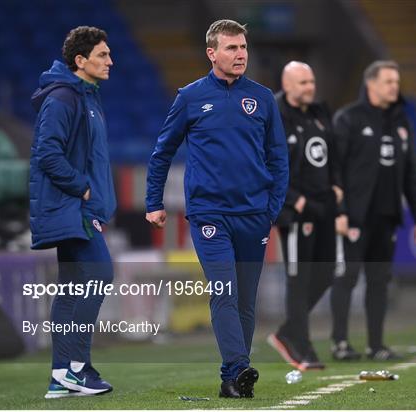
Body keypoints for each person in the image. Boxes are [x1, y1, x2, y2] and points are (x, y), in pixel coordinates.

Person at [145, 19, 288, 398]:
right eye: (231, 48)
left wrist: (271, 207)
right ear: (212, 53)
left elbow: (278, 158)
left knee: (244, 300)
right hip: (210, 215)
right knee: (223, 290)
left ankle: (231, 379)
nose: (240, 54)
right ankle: (240, 368)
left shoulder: (263, 98)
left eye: (243, 48)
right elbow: (163, 152)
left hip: (254, 215)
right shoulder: (190, 97)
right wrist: (153, 202)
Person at [30, 26, 116, 398]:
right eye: (102, 55)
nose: (110, 60)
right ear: (80, 61)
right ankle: (76, 368)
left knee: (73, 289)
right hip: (72, 207)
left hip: (81, 207)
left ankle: (62, 374)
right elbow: (47, 152)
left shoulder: (87, 96)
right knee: (98, 274)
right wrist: (81, 187)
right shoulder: (64, 97)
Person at [330, 60, 416, 361]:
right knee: (347, 277)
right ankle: (341, 343)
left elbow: (411, 171)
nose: (394, 87)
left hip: (386, 217)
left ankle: (376, 345)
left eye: (396, 82)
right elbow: (334, 170)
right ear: (371, 84)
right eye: (388, 82)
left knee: (379, 282)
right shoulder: (349, 119)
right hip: (355, 217)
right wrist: (340, 211)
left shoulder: (401, 122)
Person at [267, 61, 343, 371]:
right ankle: (302, 345)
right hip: (296, 213)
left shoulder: (320, 112)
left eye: (311, 81)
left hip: (324, 206)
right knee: (298, 280)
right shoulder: (273, 115)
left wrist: (337, 186)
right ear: (287, 85)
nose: (310, 87)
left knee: (327, 273)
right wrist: (294, 200)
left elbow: (333, 153)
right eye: (303, 83)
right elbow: (266, 165)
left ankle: (287, 332)